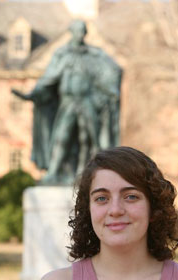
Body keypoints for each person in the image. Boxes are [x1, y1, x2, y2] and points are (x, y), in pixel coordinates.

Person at [31, 146, 178, 280]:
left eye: (131, 196)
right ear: (89, 210)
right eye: (101, 198)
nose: (115, 210)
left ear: (153, 208)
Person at [12, 20, 122, 185]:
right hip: (68, 102)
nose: (80, 34)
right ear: (72, 32)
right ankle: (54, 172)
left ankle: (97, 173)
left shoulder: (93, 55)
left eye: (82, 31)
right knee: (61, 136)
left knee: (92, 139)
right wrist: (32, 95)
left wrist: (110, 91)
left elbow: (111, 72)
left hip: (86, 101)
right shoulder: (62, 54)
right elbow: (48, 78)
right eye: (77, 31)